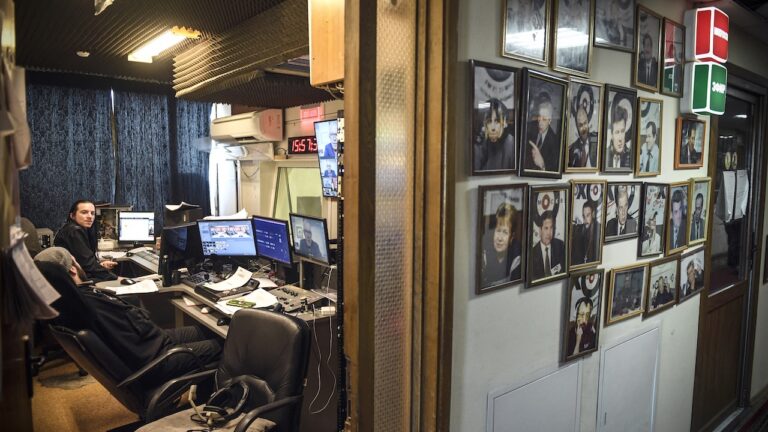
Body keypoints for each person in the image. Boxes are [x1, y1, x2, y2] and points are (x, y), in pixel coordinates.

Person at [34, 247, 223, 383]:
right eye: (76, 260)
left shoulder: (73, 306)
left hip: (151, 346)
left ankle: (204, 391)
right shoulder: (93, 305)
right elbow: (141, 326)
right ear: (72, 268)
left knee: (206, 330)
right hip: (157, 359)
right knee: (226, 344)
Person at [54, 200, 118, 282]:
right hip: (75, 279)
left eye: (92, 213)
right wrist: (116, 278)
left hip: (74, 275)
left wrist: (100, 265)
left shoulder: (71, 228)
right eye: (84, 212)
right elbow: (88, 265)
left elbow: (83, 261)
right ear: (72, 216)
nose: (90, 216)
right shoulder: (74, 231)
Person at [480, 203, 522, 286]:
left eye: (505, 232)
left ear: (511, 237)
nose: (500, 238)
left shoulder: (517, 255)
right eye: (498, 230)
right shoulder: (484, 250)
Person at [473, 98, 516, 171]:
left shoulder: (511, 144)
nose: (493, 127)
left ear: (505, 123)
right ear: (484, 125)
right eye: (489, 121)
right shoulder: (479, 145)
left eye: (497, 121)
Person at [525, 94, 560, 172]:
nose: (540, 123)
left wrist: (542, 164)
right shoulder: (529, 127)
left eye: (544, 119)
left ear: (550, 120)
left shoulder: (555, 142)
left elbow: (554, 171)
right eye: (539, 117)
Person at [530, 210, 565, 280]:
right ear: (540, 230)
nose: (549, 232)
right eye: (546, 228)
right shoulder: (532, 254)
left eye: (551, 228)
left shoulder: (560, 246)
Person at [571, 201, 600, 265]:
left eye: (588, 215)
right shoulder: (579, 230)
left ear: (593, 214)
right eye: (584, 216)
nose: (585, 220)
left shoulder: (598, 230)